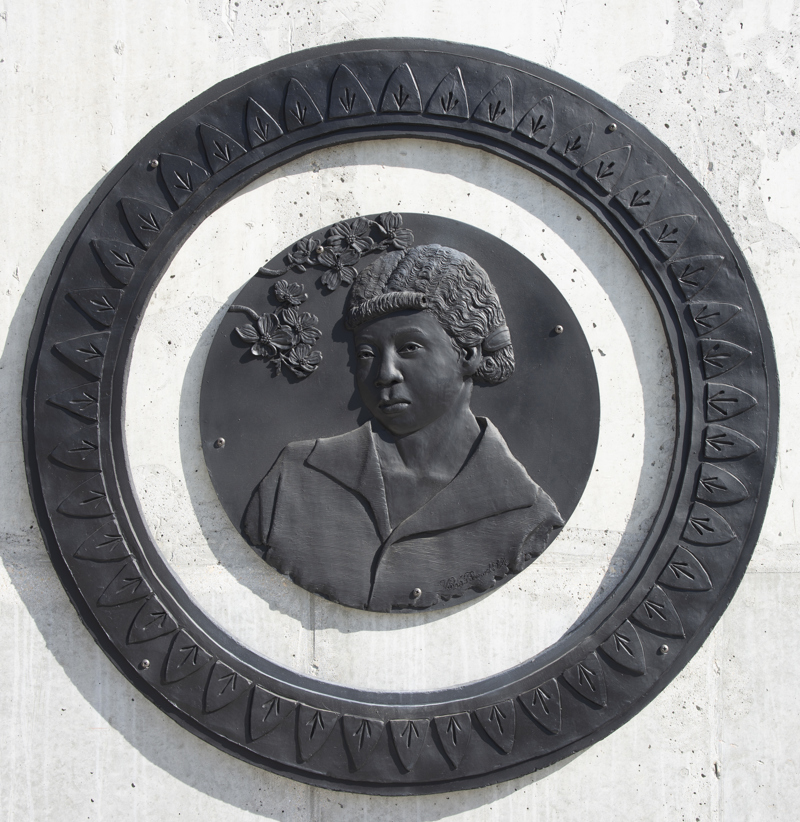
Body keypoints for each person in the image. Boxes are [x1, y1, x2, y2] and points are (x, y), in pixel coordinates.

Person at [243, 244, 563, 611]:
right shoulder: (295, 477)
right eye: (366, 354)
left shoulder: (527, 515)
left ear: (469, 353)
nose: (385, 373)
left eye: (409, 347)